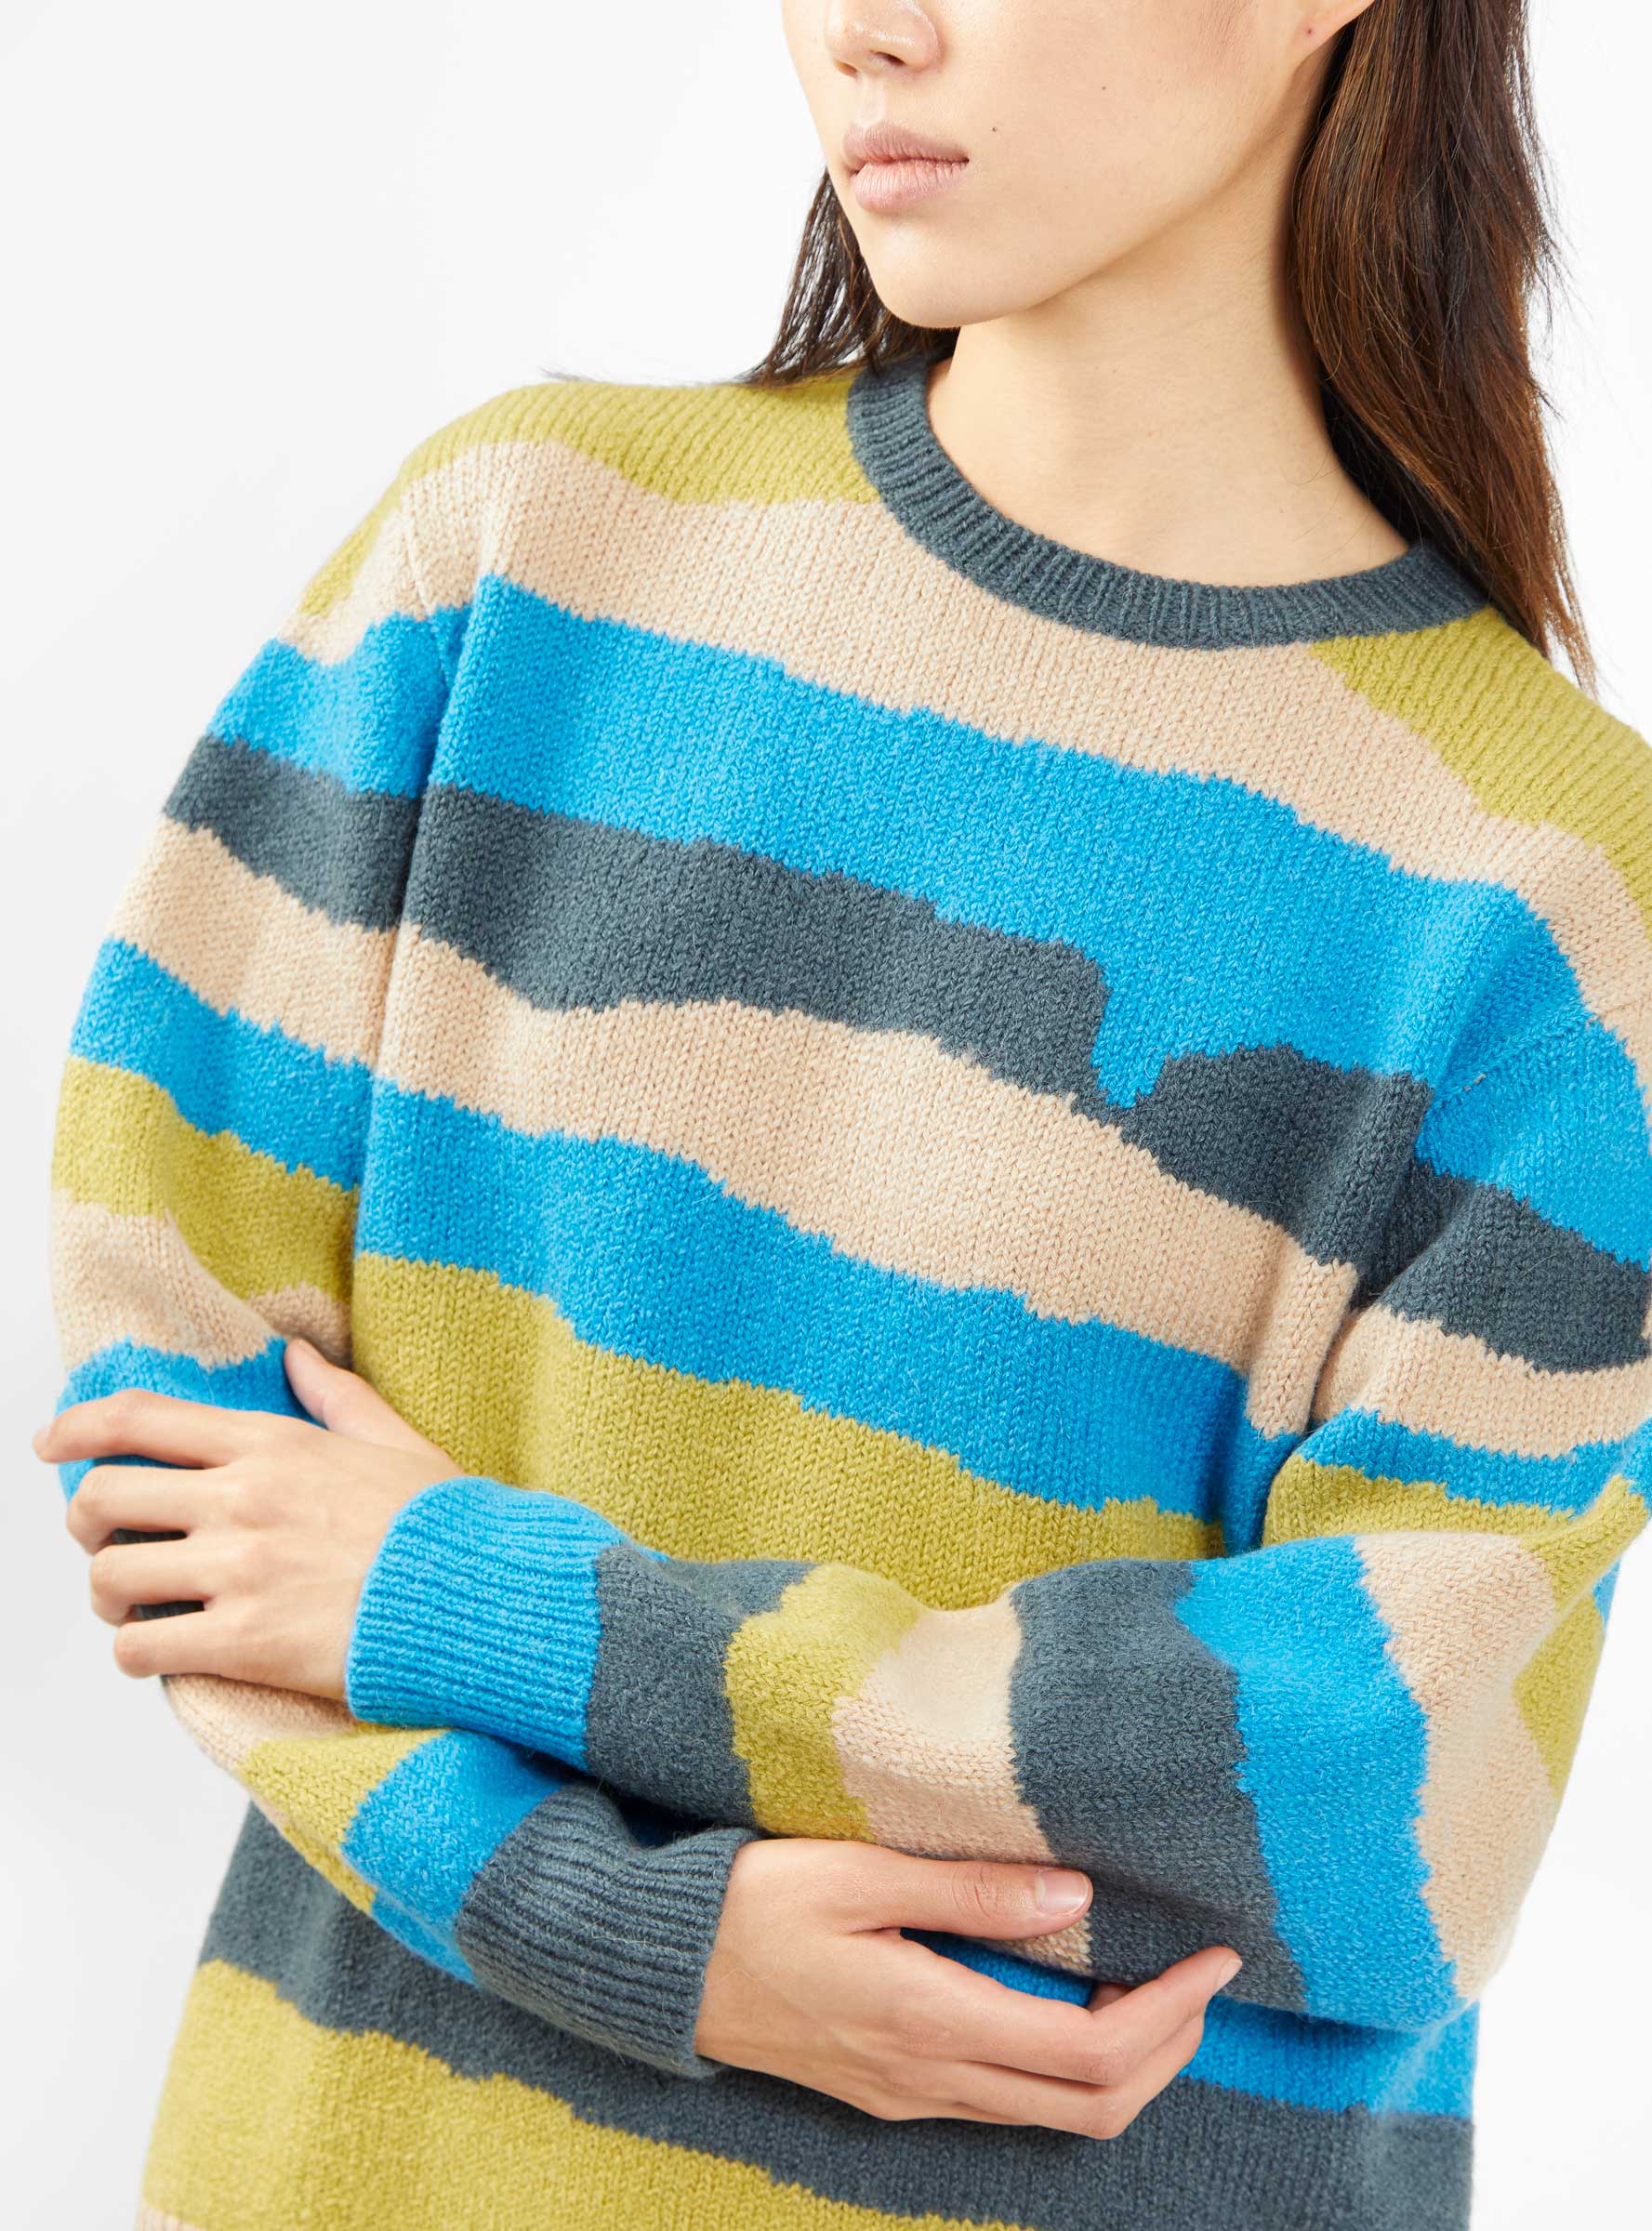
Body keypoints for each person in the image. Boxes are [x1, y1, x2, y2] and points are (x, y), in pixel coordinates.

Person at [34, 4, 1650, 2227]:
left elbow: (1366, 1787)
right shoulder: (519, 557)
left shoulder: (1559, 902)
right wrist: (626, 1927)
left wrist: (483, 1603)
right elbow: (180, 1450)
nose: (865, 29)